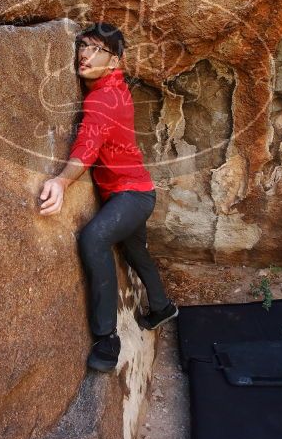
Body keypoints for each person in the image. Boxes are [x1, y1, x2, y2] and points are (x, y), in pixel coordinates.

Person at [38, 22, 178, 371]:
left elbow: (88, 145)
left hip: (132, 196)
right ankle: (162, 308)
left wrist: (61, 181)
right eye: (83, 45)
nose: (84, 54)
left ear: (115, 61)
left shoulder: (104, 97)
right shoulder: (111, 86)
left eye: (97, 49)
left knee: (94, 238)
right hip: (136, 192)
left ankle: (106, 339)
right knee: (135, 253)